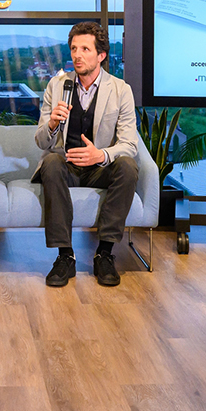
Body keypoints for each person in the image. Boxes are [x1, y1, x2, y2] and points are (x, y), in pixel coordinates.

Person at [33, 22, 140, 288]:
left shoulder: (120, 90)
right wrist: (52, 124)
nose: (77, 55)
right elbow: (41, 141)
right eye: (73, 49)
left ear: (101, 55)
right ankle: (65, 255)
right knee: (51, 161)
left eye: (84, 49)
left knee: (128, 166)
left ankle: (104, 253)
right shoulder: (57, 85)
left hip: (100, 168)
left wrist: (100, 155)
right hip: (66, 165)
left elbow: (129, 144)